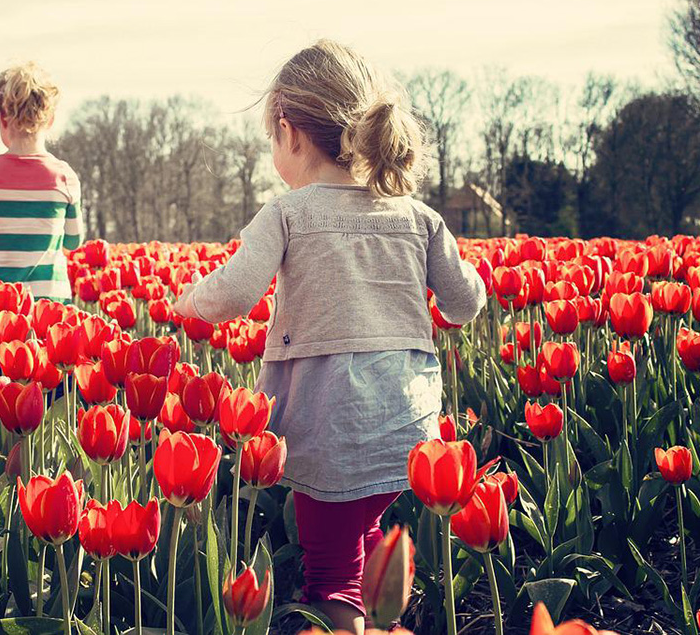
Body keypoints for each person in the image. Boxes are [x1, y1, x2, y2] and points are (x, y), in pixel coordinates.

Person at [173, 40, 486, 634]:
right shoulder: (418, 217)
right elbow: (467, 302)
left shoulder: (288, 213)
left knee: (333, 574)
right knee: (366, 534)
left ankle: (348, 624)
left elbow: (234, 294)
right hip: (409, 425)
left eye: (272, 138)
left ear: (289, 132)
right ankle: (379, 617)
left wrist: (187, 299)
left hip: (331, 423)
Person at [0, 62, 83, 302]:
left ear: (2, 117)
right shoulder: (64, 177)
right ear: (50, 119)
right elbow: (74, 240)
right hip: (49, 299)